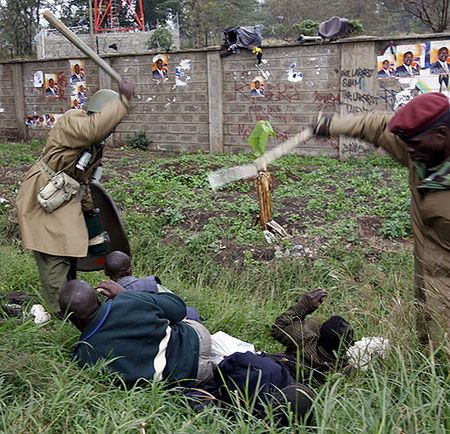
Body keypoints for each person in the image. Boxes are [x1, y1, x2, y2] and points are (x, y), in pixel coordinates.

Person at [313, 92, 450, 347]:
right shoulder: (422, 150)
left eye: (414, 144)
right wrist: (331, 125)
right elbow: (376, 125)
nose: (407, 151)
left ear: (441, 135)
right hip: (428, 275)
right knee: (428, 343)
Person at [16, 80, 134, 313]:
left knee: (69, 251)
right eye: (111, 119)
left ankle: (69, 300)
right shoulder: (74, 122)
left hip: (66, 197)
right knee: (53, 252)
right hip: (44, 196)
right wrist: (124, 101)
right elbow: (93, 128)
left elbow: (83, 179)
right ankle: (59, 310)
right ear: (99, 115)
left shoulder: (94, 144)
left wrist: (89, 209)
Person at [60, 279, 213, 385]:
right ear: (100, 300)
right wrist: (126, 294)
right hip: (198, 340)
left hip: (187, 378)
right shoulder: (128, 301)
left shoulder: (82, 355)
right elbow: (178, 307)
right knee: (188, 312)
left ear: (72, 320)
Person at [271, 288, 354, 382]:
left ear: (319, 334)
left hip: (274, 366)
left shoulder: (305, 340)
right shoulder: (339, 366)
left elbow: (278, 327)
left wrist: (305, 305)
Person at [103, 250, 201, 321]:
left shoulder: (107, 303)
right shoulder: (150, 282)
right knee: (191, 312)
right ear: (130, 269)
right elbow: (175, 304)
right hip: (169, 325)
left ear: (106, 273)